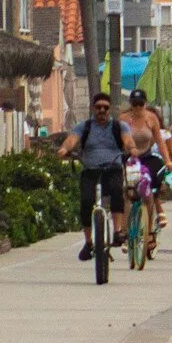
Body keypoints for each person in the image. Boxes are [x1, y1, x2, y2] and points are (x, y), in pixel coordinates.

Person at [57, 92, 133, 259]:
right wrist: (65, 149)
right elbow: (72, 140)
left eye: (105, 108)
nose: (102, 111)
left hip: (113, 167)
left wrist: (131, 148)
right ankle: (89, 241)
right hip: (90, 169)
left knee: (116, 193)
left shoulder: (119, 127)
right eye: (98, 107)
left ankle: (118, 230)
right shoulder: (85, 126)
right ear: (93, 108)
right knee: (85, 201)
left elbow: (127, 140)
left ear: (110, 109)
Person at [121, 88, 169, 242]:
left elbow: (160, 142)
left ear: (145, 104)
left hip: (147, 157)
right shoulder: (123, 119)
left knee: (149, 193)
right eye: (135, 104)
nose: (138, 108)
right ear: (131, 105)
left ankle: (148, 232)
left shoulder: (151, 118)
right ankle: (124, 230)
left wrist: (167, 159)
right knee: (128, 193)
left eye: (140, 104)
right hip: (128, 158)